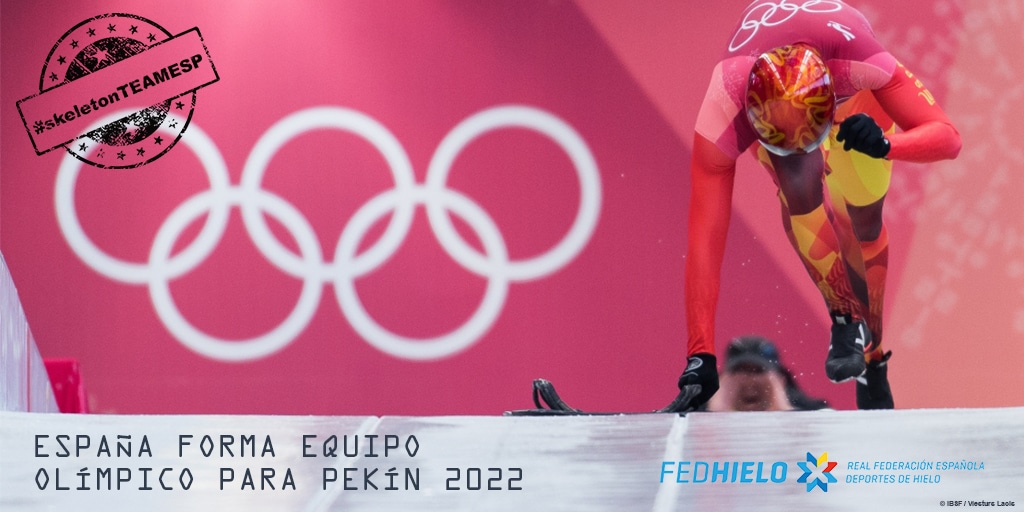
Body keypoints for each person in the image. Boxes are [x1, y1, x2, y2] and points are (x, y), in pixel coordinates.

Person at [674, 0, 961, 412]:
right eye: (781, 142)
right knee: (799, 184)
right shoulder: (725, 99)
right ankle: (844, 316)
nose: (807, 151)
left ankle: (873, 357)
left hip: (857, 103)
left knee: (861, 224)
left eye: (808, 141)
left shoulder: (861, 62)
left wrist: (886, 144)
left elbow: (948, 138)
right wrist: (699, 353)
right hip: (783, 105)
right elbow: (705, 237)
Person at [705, 336, 829, 412]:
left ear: (780, 380)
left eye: (759, 371)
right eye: (741, 371)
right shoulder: (699, 411)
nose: (750, 380)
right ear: (723, 380)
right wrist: (717, 410)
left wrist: (782, 410)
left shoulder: (809, 409)